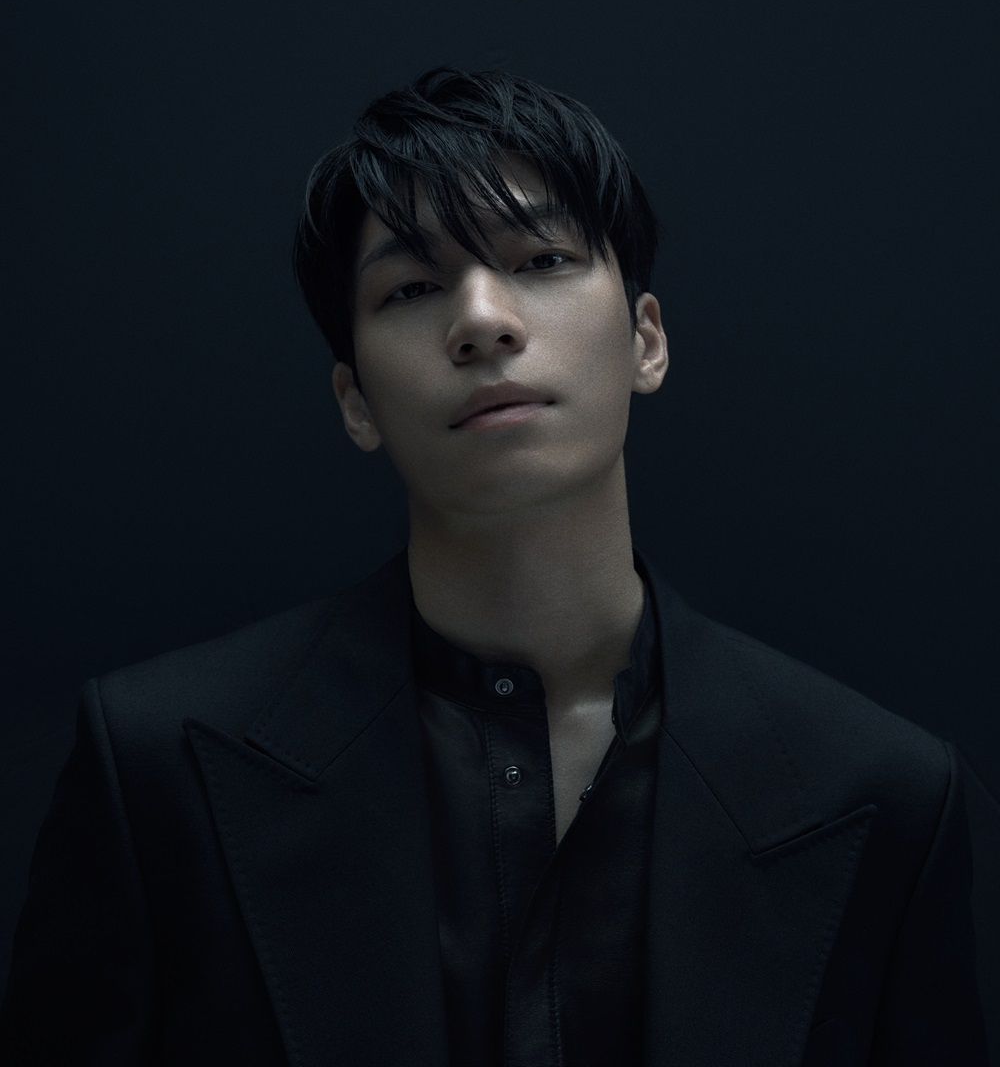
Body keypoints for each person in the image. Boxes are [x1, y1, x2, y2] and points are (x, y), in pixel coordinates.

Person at [0, 68, 988, 1065]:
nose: (482, 318)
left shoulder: (882, 794)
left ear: (646, 340)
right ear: (355, 402)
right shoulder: (158, 765)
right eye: (411, 287)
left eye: (544, 258)